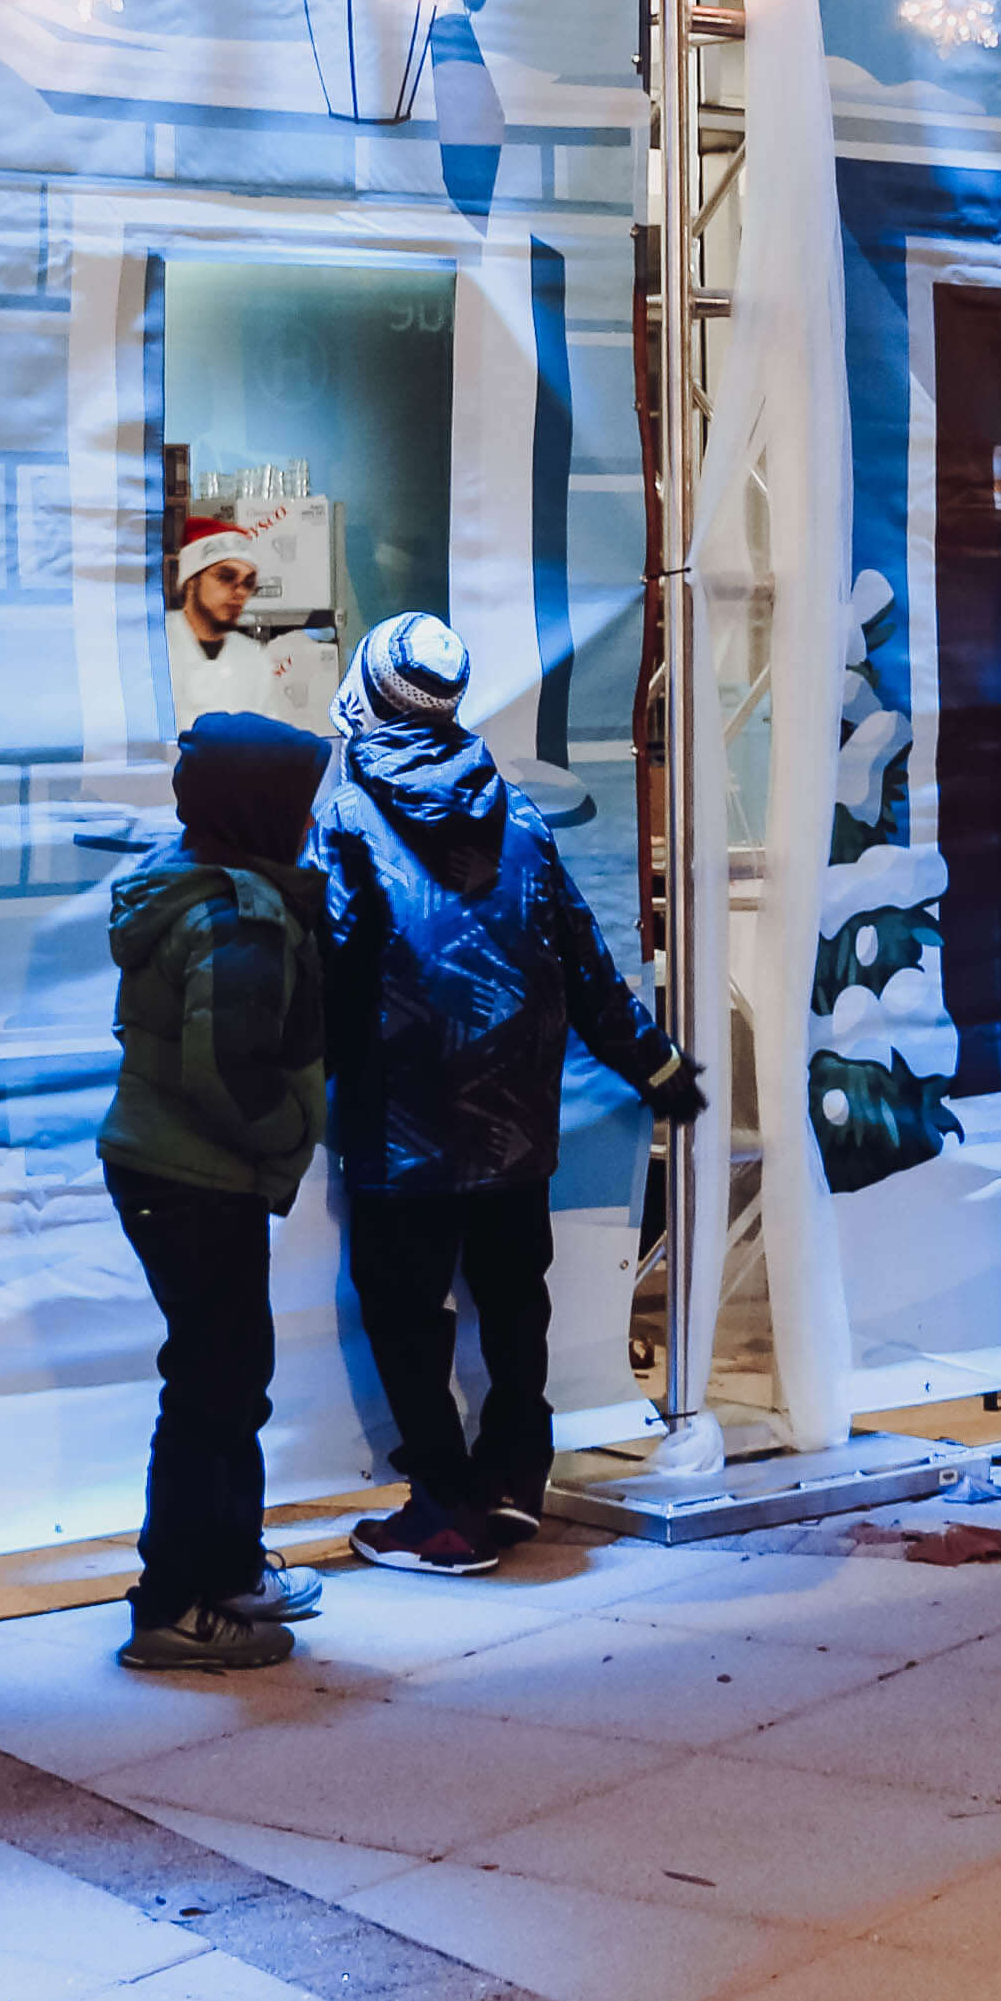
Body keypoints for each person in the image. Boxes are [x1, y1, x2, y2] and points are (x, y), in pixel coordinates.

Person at [307, 612, 704, 1574]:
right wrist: (657, 1070)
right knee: (513, 1304)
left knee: (405, 1318)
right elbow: (585, 961)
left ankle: (443, 1509)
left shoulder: (346, 816)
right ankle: (517, 1479)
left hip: (402, 1128)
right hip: (517, 1124)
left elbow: (326, 970)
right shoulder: (517, 811)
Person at [101, 712, 338, 1673]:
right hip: (195, 1178)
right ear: (260, 808)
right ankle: (173, 1606)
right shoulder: (236, 913)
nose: (311, 822)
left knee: (230, 1380)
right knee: (212, 1390)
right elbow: (230, 1071)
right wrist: (290, 1137)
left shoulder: (199, 883)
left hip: (175, 1172)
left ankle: (229, 1568)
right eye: (299, 804)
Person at [165, 522, 335, 731]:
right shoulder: (152, 649)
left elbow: (267, 738)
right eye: (226, 577)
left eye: (248, 583)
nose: (239, 592)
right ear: (191, 582)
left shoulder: (253, 658)